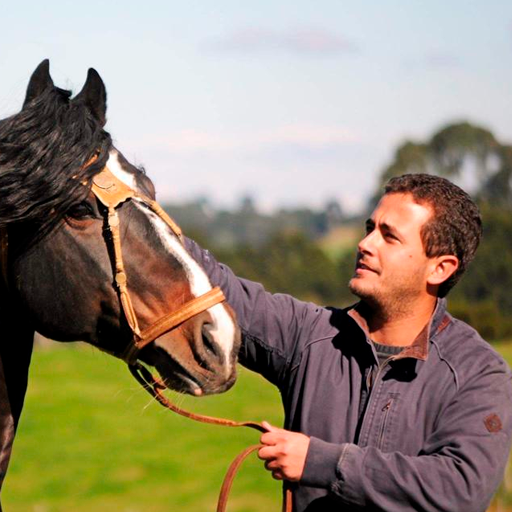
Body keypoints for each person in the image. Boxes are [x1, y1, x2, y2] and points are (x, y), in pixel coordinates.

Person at [185, 173, 512, 512]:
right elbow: (216, 286)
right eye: (370, 228)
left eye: (389, 237)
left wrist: (320, 462)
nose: (366, 243)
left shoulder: (480, 373)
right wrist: (138, 214)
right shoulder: (311, 334)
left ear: (440, 269)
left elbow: (460, 489)